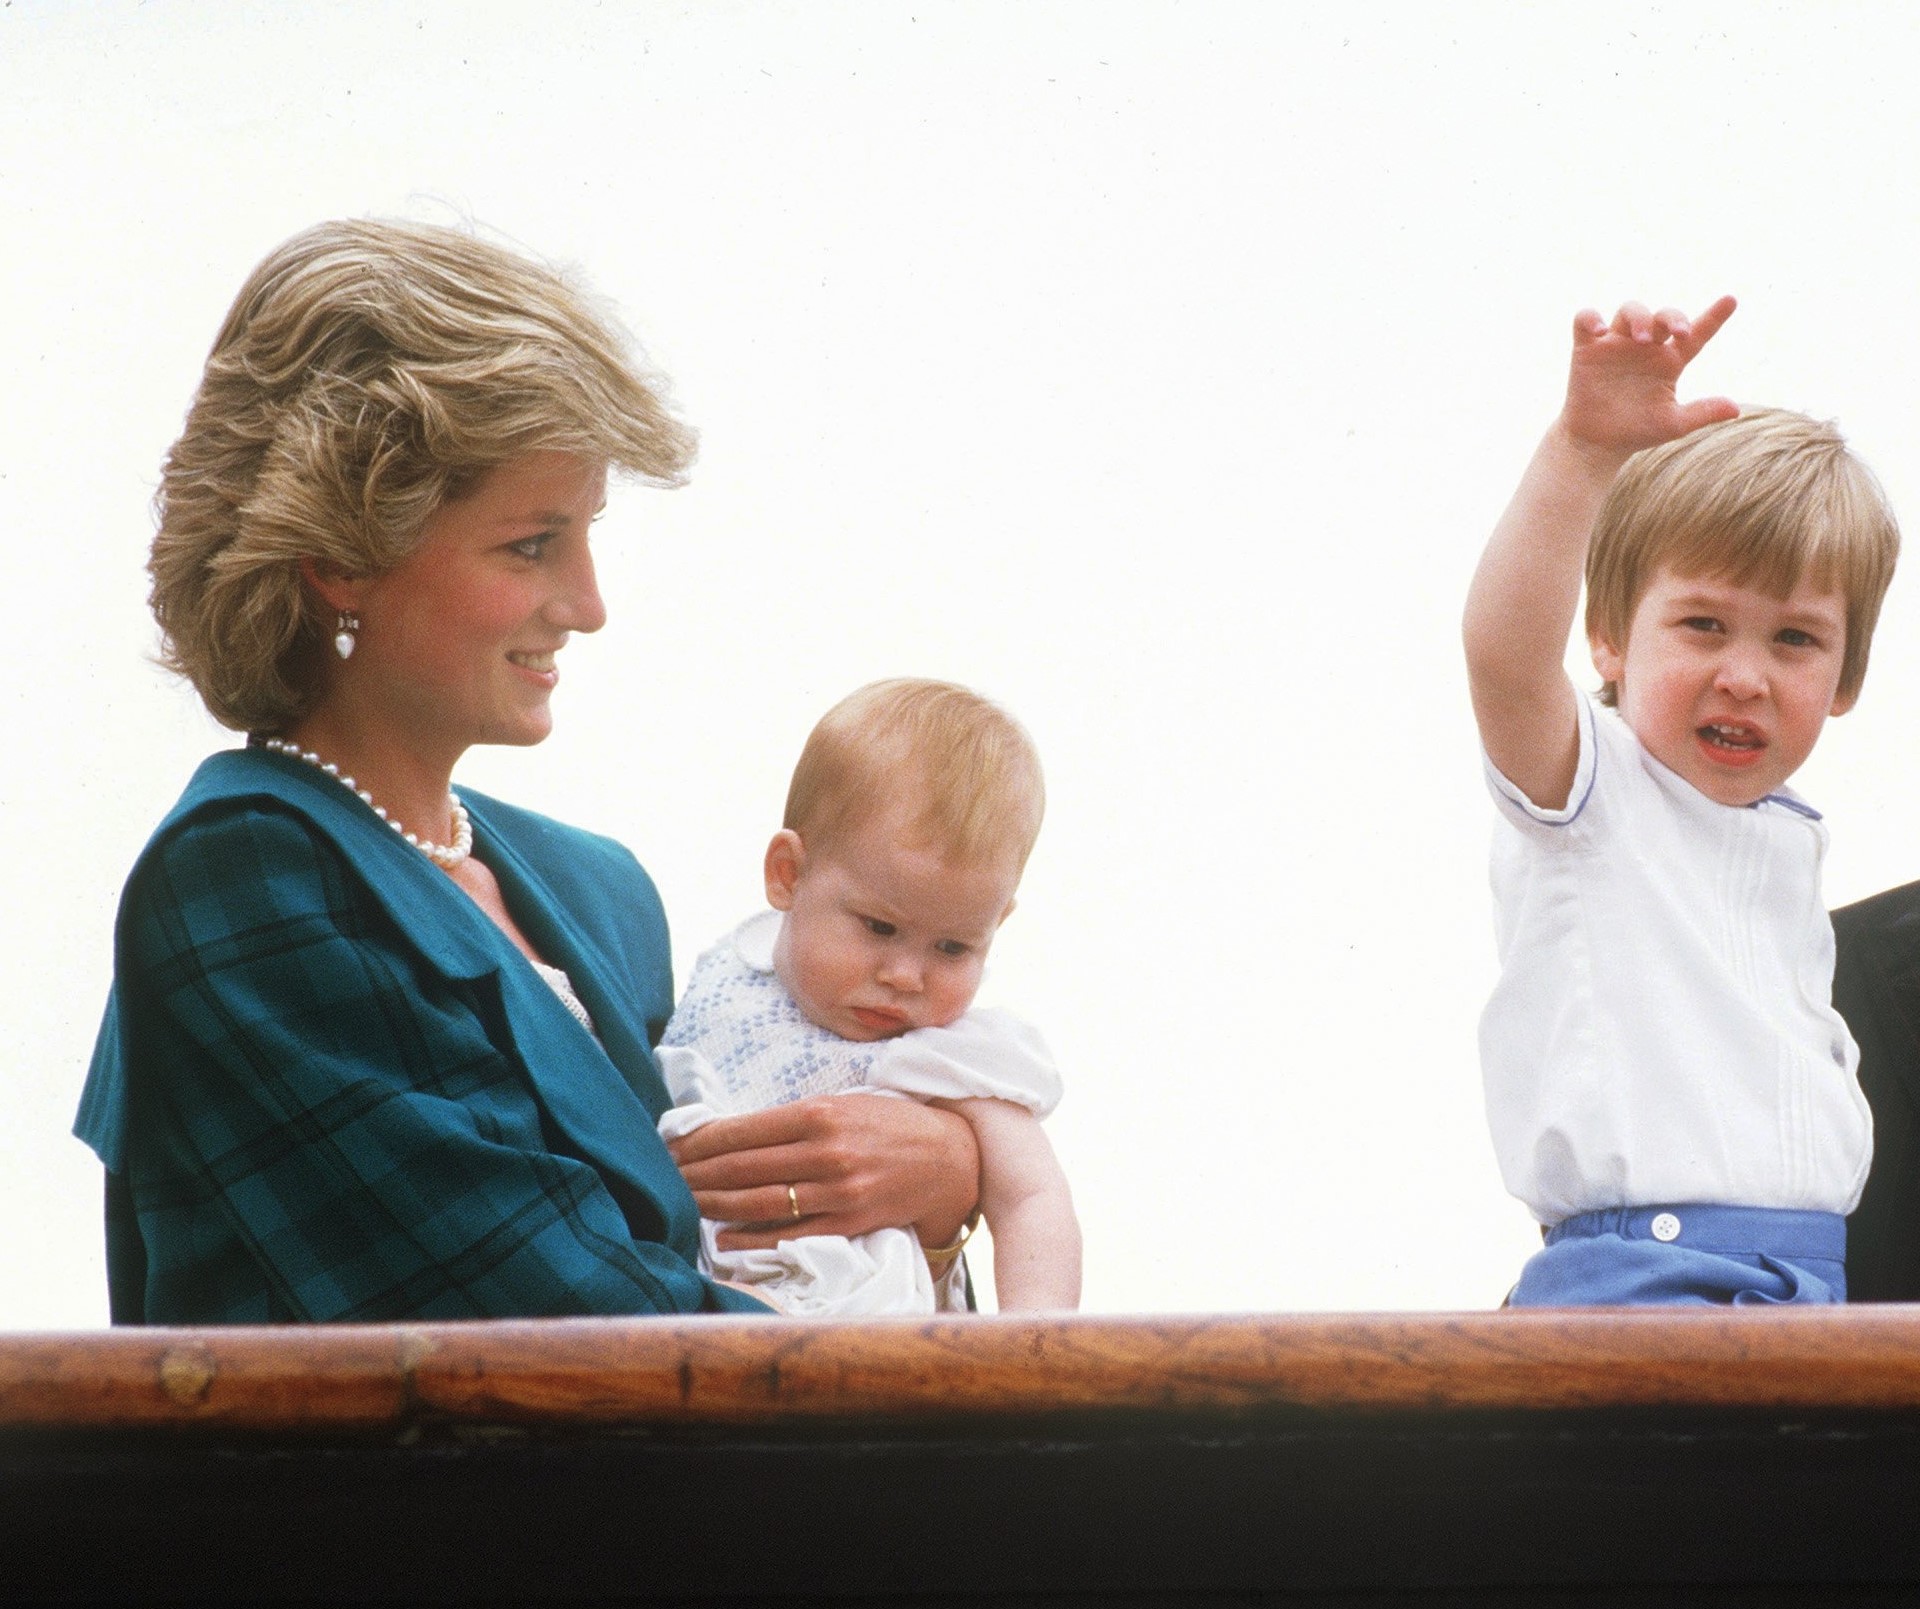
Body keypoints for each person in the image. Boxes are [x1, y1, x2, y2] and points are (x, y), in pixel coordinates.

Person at [73, 219, 980, 1323]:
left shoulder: (599, 891)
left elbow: (742, 1268)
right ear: (341, 560)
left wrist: (946, 1180)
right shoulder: (243, 877)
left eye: (588, 535)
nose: (589, 606)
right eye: (532, 544)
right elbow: (561, 1330)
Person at [1462, 296, 1900, 1306]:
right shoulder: (1593, 793)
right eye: (1704, 625)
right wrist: (1581, 453)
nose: (1745, 675)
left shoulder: (1785, 843)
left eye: (1793, 640)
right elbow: (1502, 655)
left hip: (1807, 1286)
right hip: (1647, 1278)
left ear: (1844, 678)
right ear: (1609, 638)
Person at [655, 679, 1082, 1314]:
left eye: (953, 949)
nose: (907, 976)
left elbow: (1033, 1198)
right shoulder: (725, 977)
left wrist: (1038, 1343)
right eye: (880, 928)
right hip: (677, 1287)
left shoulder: (956, 1053)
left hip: (864, 1322)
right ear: (788, 875)